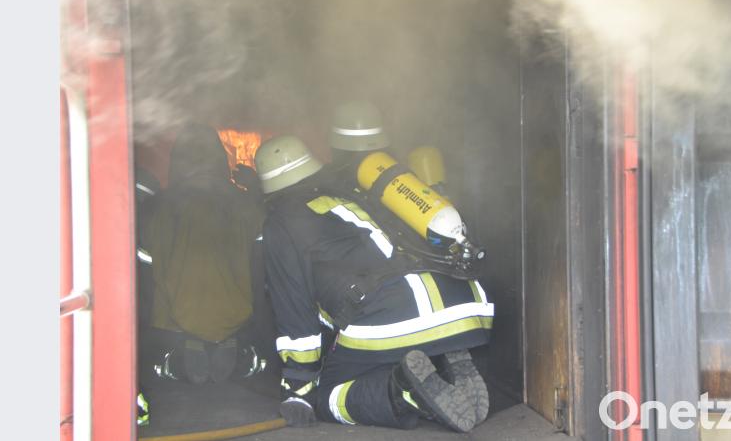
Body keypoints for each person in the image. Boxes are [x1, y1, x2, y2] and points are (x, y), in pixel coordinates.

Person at [255, 135, 494, 432]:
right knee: (380, 343)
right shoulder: (351, 195)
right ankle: (443, 362)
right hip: (463, 300)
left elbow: (294, 310)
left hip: (393, 316)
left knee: (329, 396)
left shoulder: (281, 223)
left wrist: (300, 389)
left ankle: (404, 391)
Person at [139, 124, 266, 384]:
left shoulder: (158, 207)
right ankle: (237, 352)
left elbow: (142, 271)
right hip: (240, 317)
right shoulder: (246, 204)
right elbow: (264, 263)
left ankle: (177, 358)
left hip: (172, 322)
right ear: (220, 159)